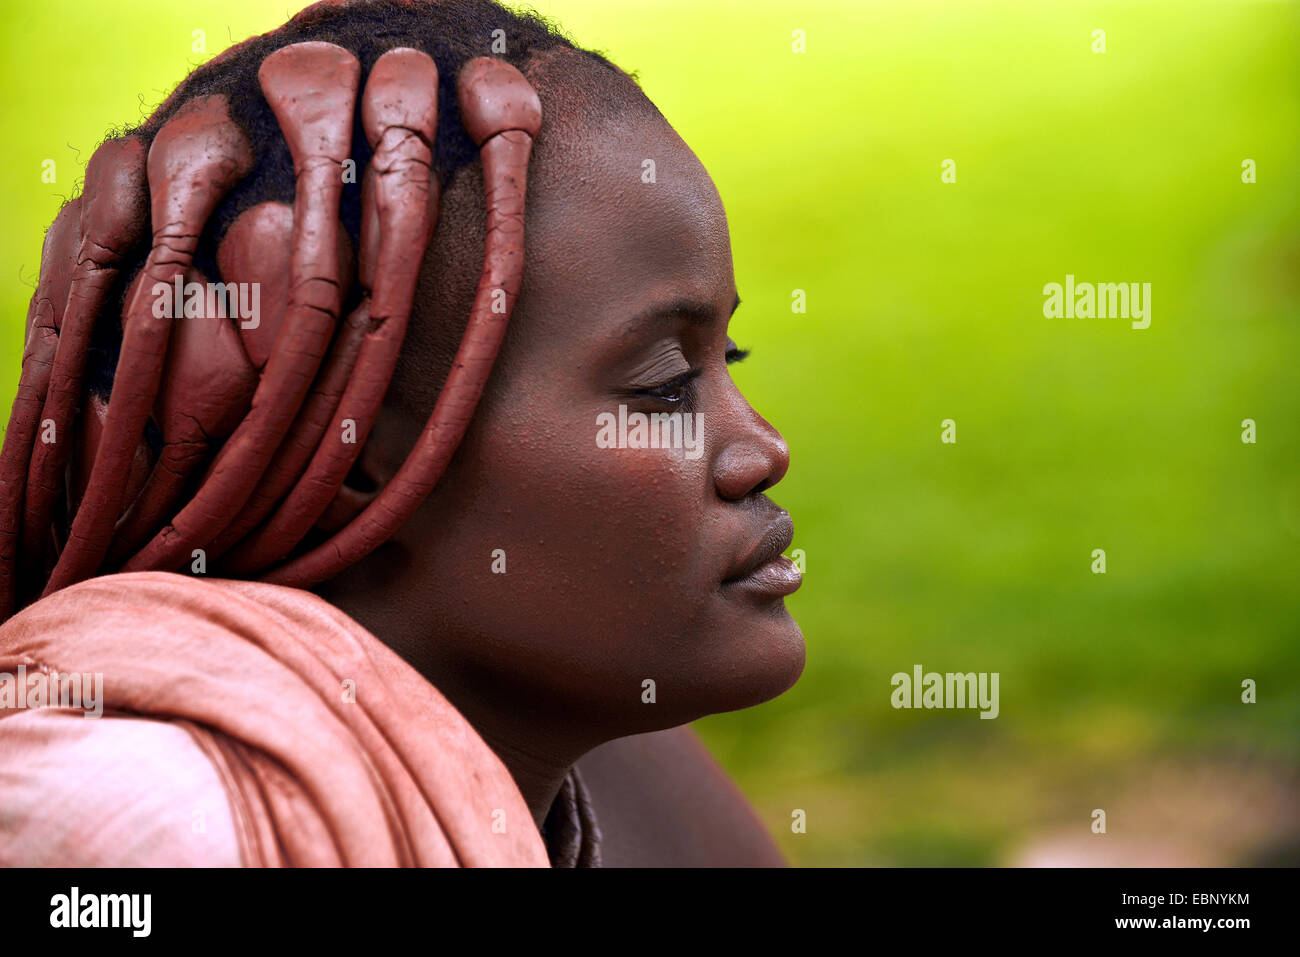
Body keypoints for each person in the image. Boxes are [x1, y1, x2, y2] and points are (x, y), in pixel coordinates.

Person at [0, 0, 803, 867]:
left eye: (730, 352)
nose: (764, 449)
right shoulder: (141, 822)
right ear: (362, 454)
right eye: (664, 385)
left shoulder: (553, 732)